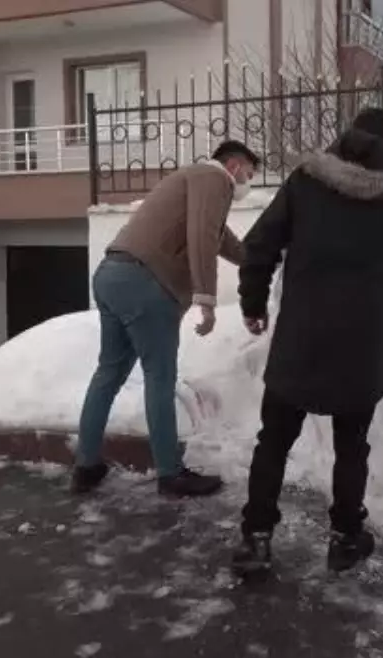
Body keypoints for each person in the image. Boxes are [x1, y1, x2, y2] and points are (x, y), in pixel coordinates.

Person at [230, 108, 383, 577]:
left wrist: (253, 306)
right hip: (357, 352)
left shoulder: (305, 182)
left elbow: (258, 247)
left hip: (299, 343)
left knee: (273, 443)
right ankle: (344, 538)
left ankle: (256, 539)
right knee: (351, 447)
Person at [71, 140, 260, 497]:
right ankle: (170, 475)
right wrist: (206, 297)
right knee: (160, 378)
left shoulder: (190, 180)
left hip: (112, 273)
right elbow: (202, 234)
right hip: (147, 283)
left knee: (108, 373)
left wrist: (261, 261)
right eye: (248, 174)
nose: (246, 183)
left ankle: (86, 466)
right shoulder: (213, 178)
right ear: (234, 166)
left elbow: (221, 240)